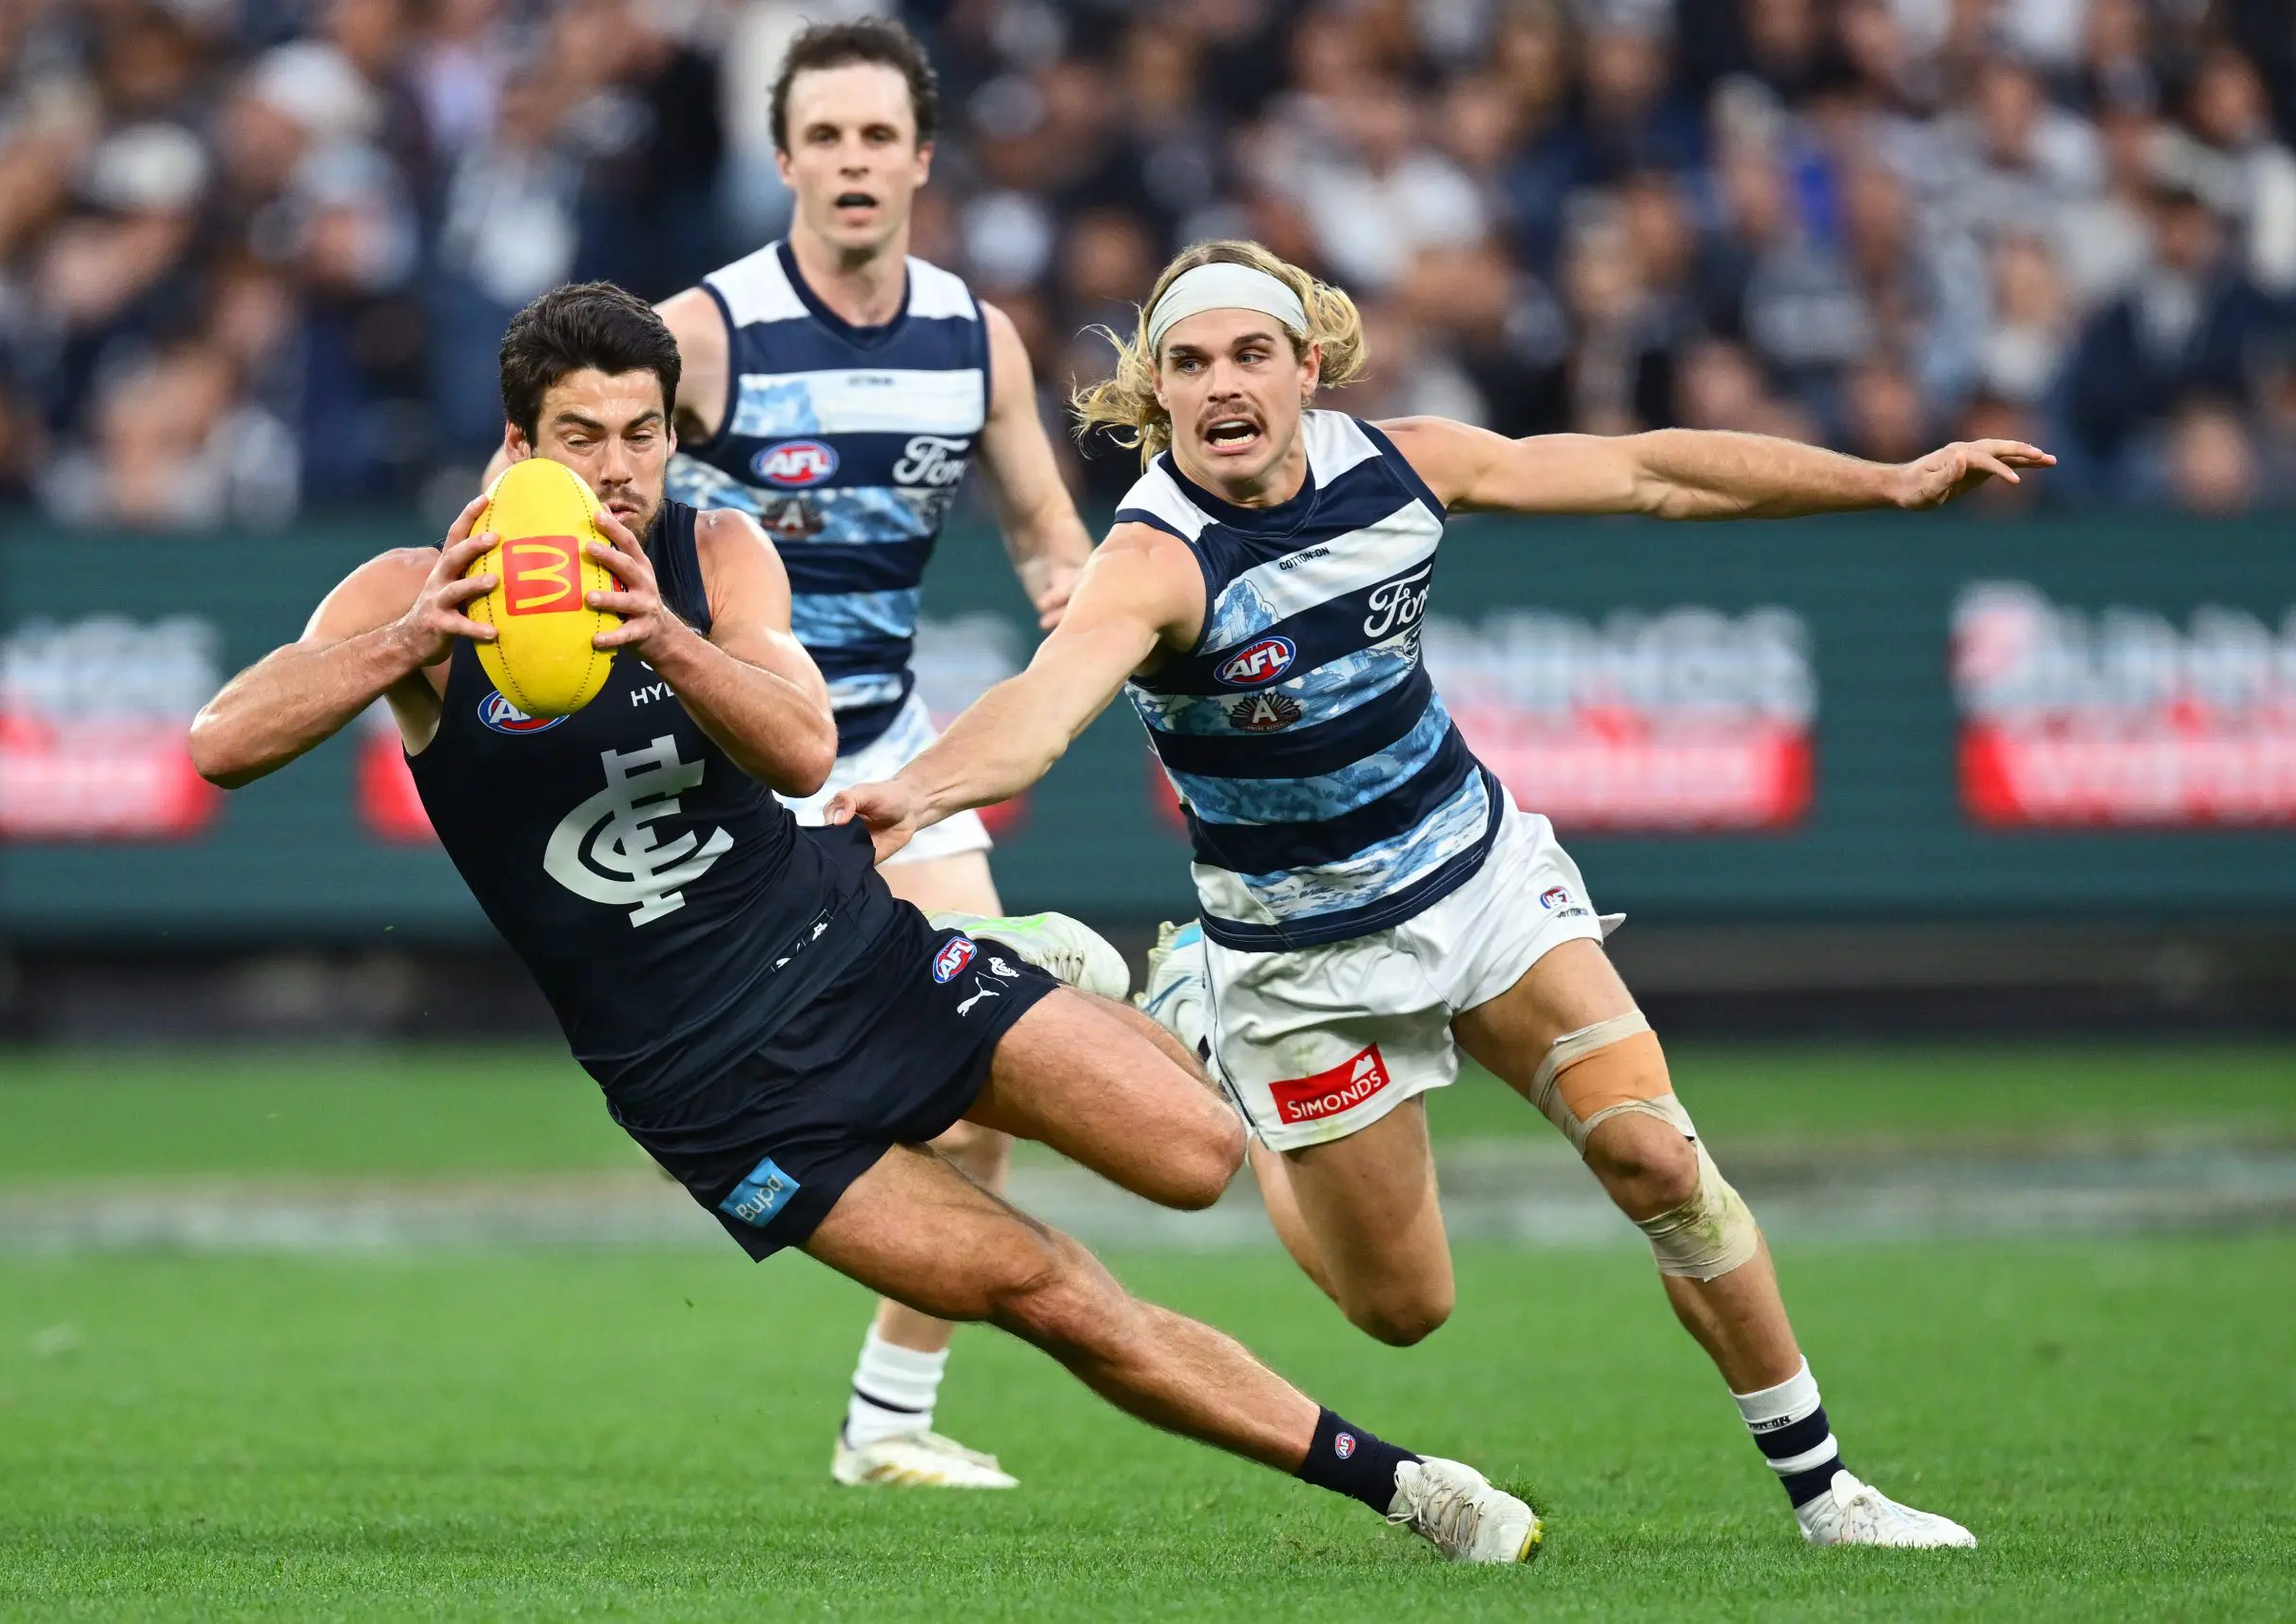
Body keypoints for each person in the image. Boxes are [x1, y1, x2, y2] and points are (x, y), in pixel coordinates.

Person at [193, 281, 1543, 1565]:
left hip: (855, 949)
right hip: (713, 1087)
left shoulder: (709, 552)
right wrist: (407, 638)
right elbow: (221, 742)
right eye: (581, 438)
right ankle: (1408, 1486)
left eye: (642, 434)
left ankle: (1162, 997)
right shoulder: (407, 594)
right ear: (518, 445)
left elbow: (800, 744)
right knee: (1047, 1292)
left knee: (1198, 1157)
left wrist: (663, 634)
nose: (617, 469)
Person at [828, 241, 2058, 1550]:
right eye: (1189, 364)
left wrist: (1886, 478)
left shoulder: (1403, 464)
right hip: (1300, 960)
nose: (1221, 385)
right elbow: (1035, 716)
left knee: (1658, 1158)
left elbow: (1650, 470)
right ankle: (1214, 1037)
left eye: (1252, 353)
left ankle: (1829, 1494)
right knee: (1403, 1307)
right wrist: (909, 793)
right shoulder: (1155, 557)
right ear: (1160, 394)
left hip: (1476, 879)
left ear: (1309, 370)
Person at [482, 19, 1095, 1487]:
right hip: (738, 747)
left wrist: (1080, 604)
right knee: (962, 1037)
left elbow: (1041, 532)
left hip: (885, 736)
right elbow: (532, 487)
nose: (853, 162)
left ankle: (887, 1424)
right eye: (825, 137)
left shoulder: (976, 336)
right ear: (784, 159)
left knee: (988, 1091)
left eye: (878, 136)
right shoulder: (708, 331)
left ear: (922, 156)